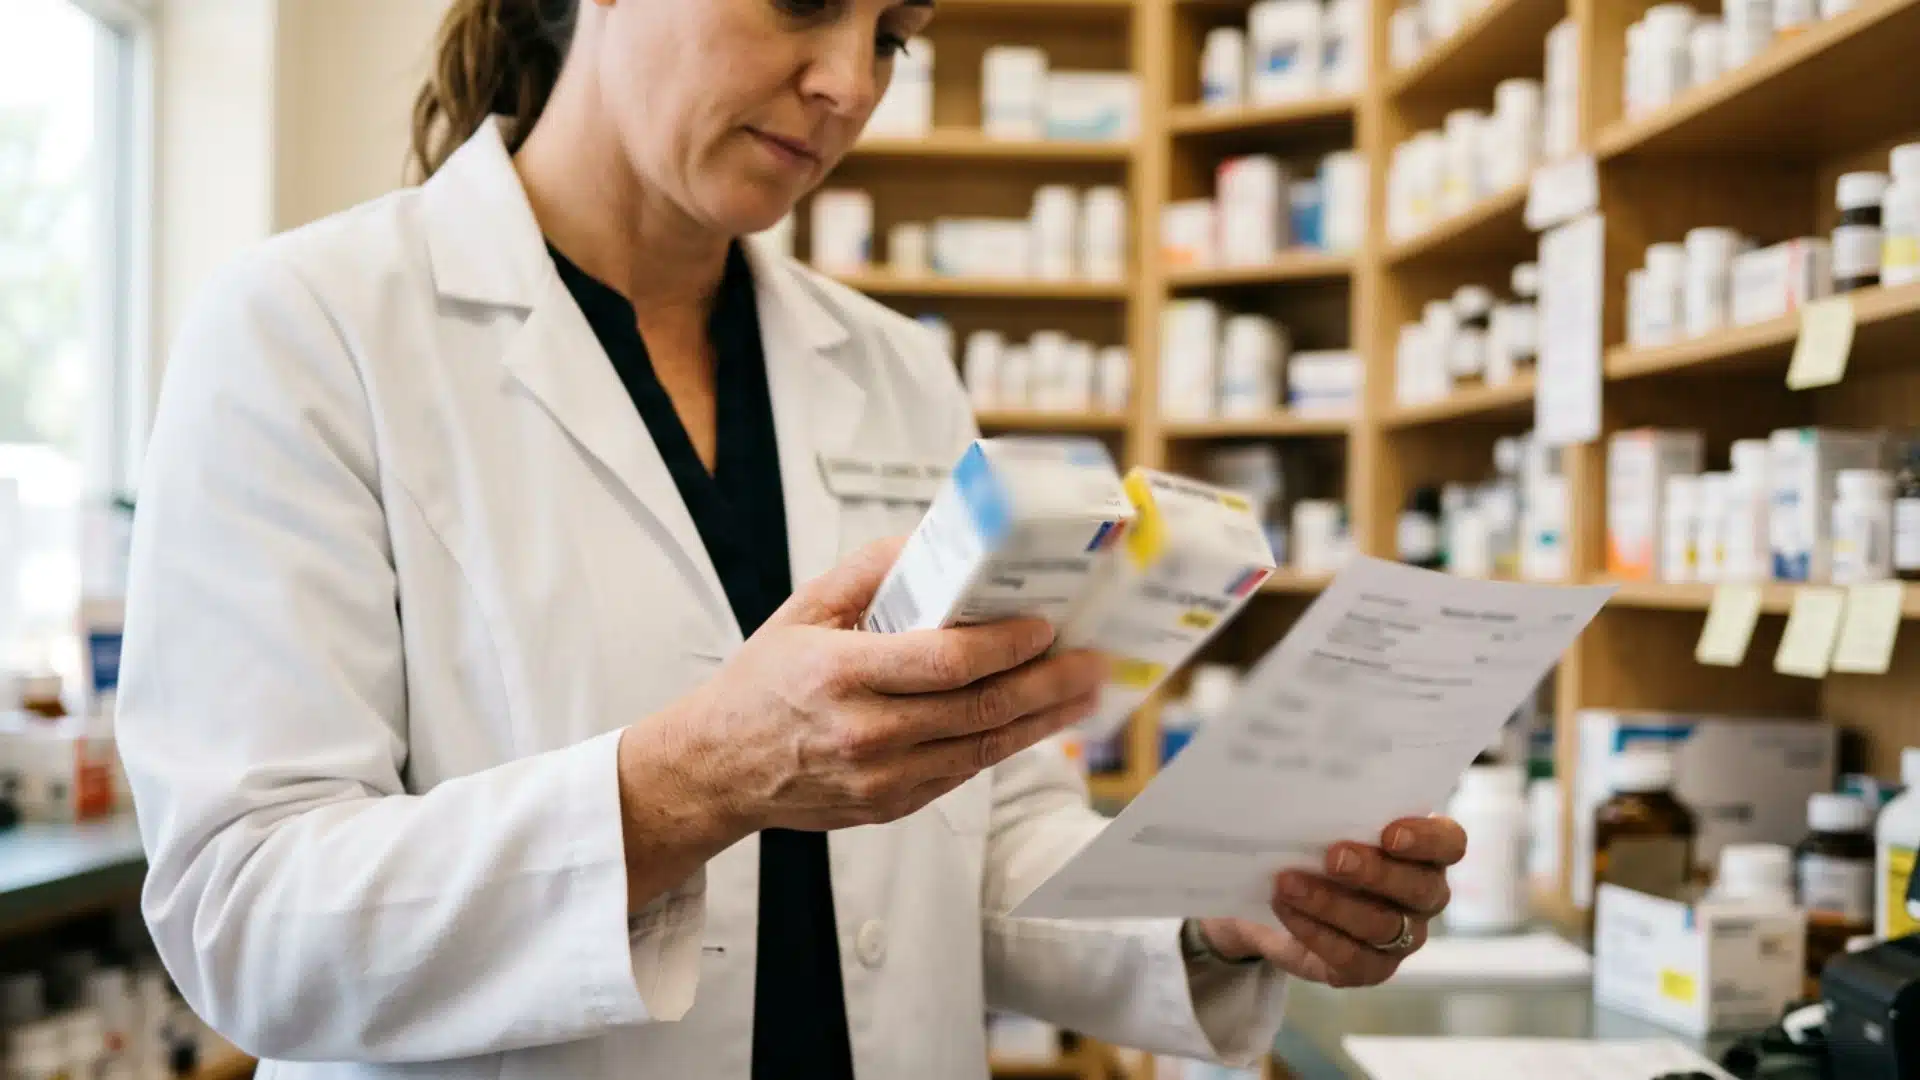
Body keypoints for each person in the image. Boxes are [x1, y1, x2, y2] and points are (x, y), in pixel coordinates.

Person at [116, 0, 1468, 1077]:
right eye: (806, 4)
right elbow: (245, 913)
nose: (849, 83)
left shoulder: (896, 372)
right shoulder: (310, 330)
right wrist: (689, 785)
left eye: (891, 31)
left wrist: (1217, 909)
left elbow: (976, 846)